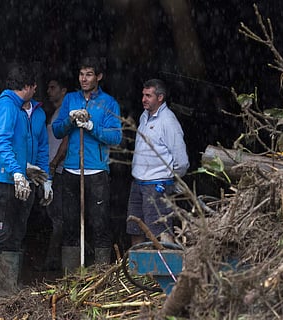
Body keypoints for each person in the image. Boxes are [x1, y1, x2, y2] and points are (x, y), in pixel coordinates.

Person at [0, 62, 51, 304]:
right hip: (0, 178)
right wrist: (17, 172)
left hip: (23, 180)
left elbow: (41, 148)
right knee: (1, 231)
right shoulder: (6, 106)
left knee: (16, 232)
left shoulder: (36, 112)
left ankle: (7, 287)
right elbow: (2, 142)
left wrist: (45, 178)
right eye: (34, 86)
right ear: (29, 86)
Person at [52, 57, 122, 271]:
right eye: (81, 74)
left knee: (100, 224)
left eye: (89, 74)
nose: (84, 78)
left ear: (98, 77)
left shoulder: (109, 103)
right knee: (70, 224)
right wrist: (70, 120)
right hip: (72, 168)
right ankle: (70, 278)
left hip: (97, 170)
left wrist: (91, 126)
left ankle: (101, 274)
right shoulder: (71, 99)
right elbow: (57, 130)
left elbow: (115, 137)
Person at [126, 78, 189, 246]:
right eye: (143, 95)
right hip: (138, 182)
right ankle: (139, 271)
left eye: (148, 96)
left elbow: (181, 161)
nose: (144, 99)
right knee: (135, 227)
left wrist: (170, 180)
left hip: (157, 185)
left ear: (160, 98)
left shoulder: (168, 121)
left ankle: (162, 269)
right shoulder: (144, 117)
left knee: (159, 230)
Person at [38, 76, 69, 271]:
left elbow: (66, 141)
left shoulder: (64, 113)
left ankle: (54, 260)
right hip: (50, 169)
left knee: (58, 217)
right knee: (54, 216)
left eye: (52, 87)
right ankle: (54, 259)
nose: (49, 91)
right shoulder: (55, 112)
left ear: (63, 90)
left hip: (58, 170)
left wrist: (55, 162)